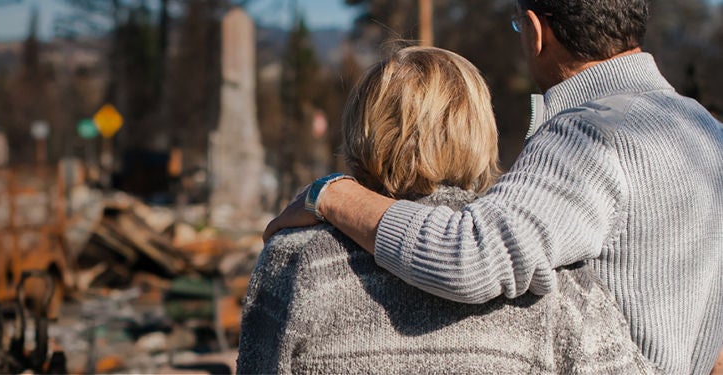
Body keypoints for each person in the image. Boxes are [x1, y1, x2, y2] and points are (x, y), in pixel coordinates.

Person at [263, 1, 723, 374]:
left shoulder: (589, 134)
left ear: (535, 31)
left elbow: (469, 257)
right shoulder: (707, 133)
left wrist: (331, 194)